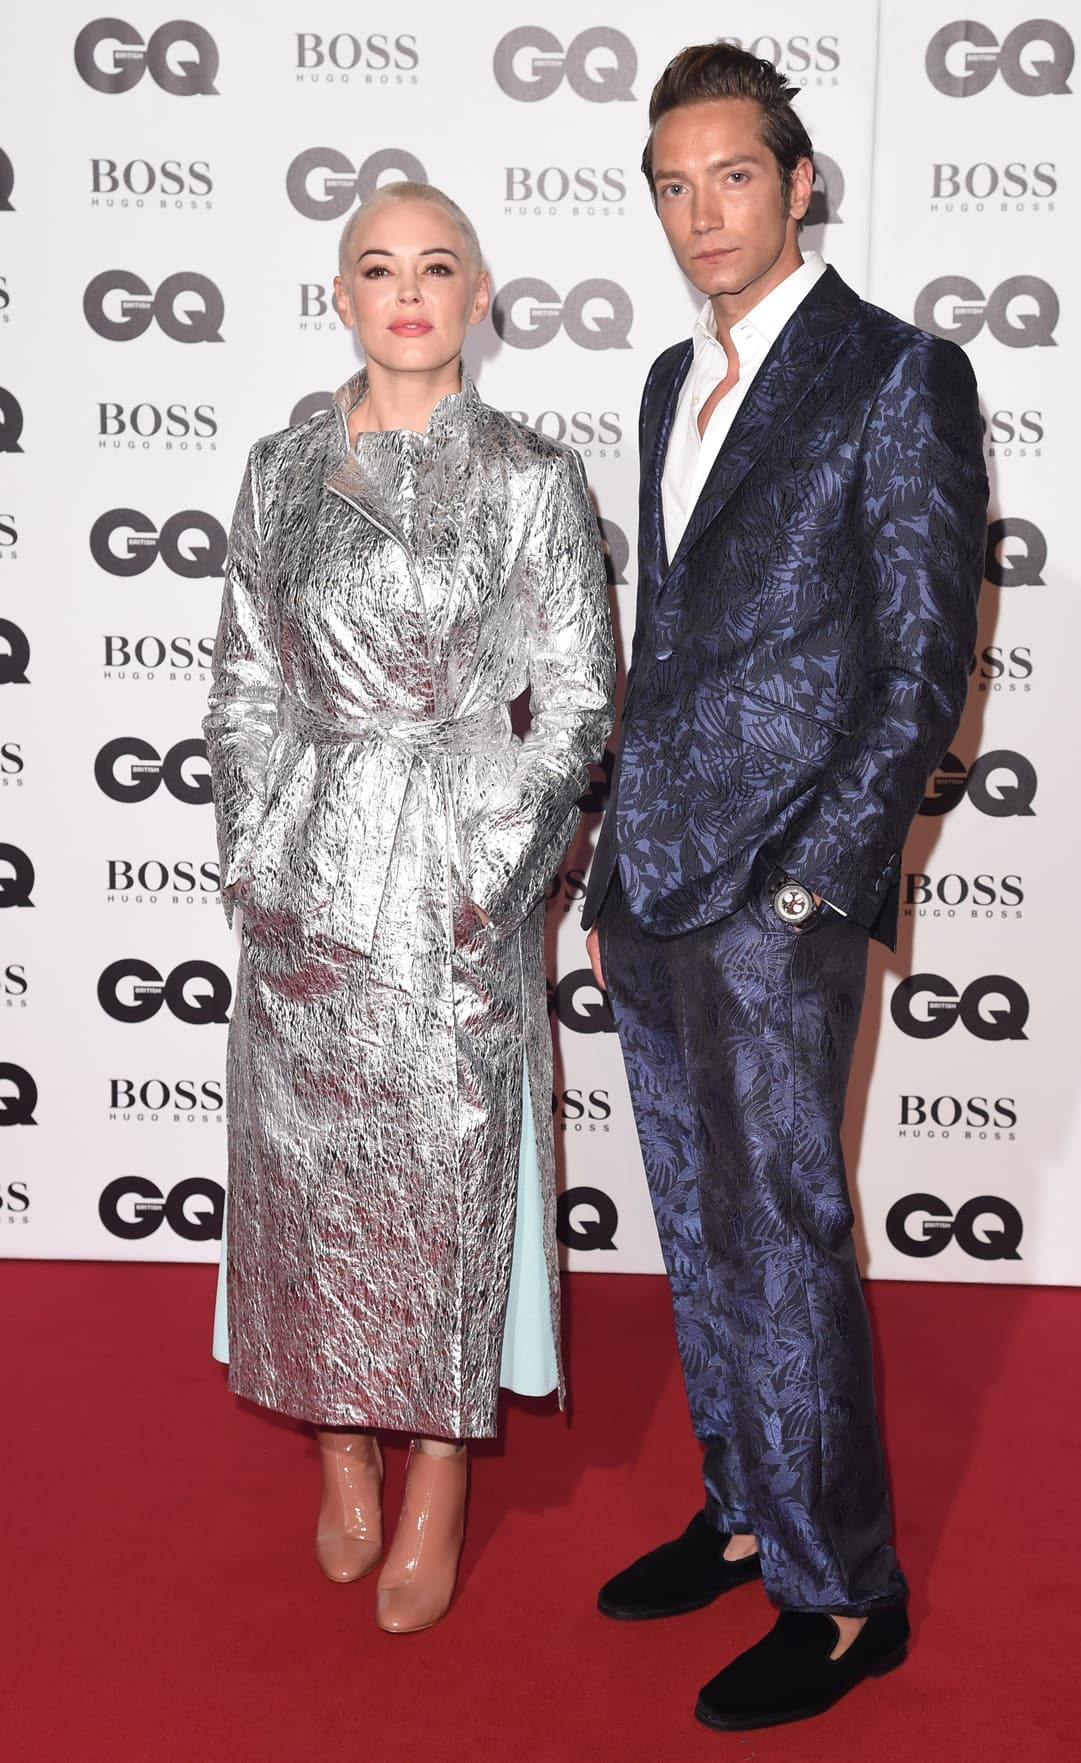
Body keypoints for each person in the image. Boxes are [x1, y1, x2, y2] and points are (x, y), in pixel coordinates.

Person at [582, 45, 988, 1731]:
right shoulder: (671, 384)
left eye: (731, 176)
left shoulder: (898, 376)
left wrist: (820, 886)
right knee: (697, 1212)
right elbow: (670, 644)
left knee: (791, 1231)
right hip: (654, 875)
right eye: (673, 184)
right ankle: (747, 1507)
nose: (702, 213)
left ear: (798, 180)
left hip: (780, 897)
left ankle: (844, 1596)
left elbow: (921, 662)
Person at [204, 180, 614, 1635]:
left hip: (452, 878)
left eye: (438, 266)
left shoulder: (528, 476)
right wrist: (256, 851)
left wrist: (491, 869)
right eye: (379, 268)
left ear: (479, 293)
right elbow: (246, 679)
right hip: (308, 871)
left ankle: (437, 1470)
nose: (409, 291)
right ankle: (338, 1450)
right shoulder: (278, 468)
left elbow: (573, 699)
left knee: (445, 1184)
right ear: (341, 298)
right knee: (308, 1172)